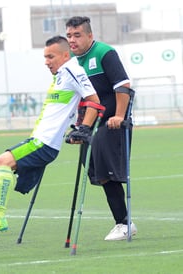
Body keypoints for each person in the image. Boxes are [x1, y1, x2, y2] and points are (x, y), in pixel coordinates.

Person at [0, 36, 101, 235]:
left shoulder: (72, 69)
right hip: (40, 140)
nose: (46, 62)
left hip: (45, 143)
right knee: (5, 164)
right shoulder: (61, 74)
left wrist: (84, 128)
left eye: (50, 57)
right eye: (45, 57)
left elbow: (94, 100)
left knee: (2, 161)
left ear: (65, 55)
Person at [65, 16, 137, 241]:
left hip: (112, 121)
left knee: (107, 169)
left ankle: (124, 223)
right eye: (69, 36)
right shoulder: (73, 63)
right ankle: (124, 221)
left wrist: (118, 115)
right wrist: (79, 126)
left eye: (77, 35)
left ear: (89, 36)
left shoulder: (105, 53)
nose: (72, 40)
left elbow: (122, 86)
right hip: (90, 124)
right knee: (97, 171)